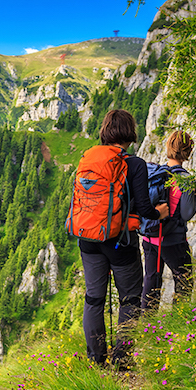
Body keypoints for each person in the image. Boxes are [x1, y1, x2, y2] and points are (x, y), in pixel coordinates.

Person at [79, 109, 169, 368]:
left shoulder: (89, 158)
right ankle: (122, 359)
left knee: (94, 298)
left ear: (106, 130)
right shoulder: (135, 164)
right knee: (129, 298)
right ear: (130, 132)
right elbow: (143, 208)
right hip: (120, 241)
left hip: (88, 238)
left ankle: (97, 360)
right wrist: (159, 213)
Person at [141, 130, 196, 311]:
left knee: (151, 282)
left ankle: (146, 328)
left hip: (150, 237)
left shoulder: (154, 174)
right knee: (184, 280)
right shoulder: (186, 179)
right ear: (188, 152)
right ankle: (178, 324)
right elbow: (186, 214)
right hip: (173, 240)